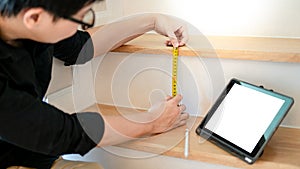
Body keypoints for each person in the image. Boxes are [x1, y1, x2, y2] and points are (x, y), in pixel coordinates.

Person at [0, 0, 189, 168]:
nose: (80, 26)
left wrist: (152, 21)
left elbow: (81, 46)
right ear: (34, 18)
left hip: (32, 153)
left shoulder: (28, 23)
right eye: (80, 18)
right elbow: (65, 133)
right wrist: (152, 121)